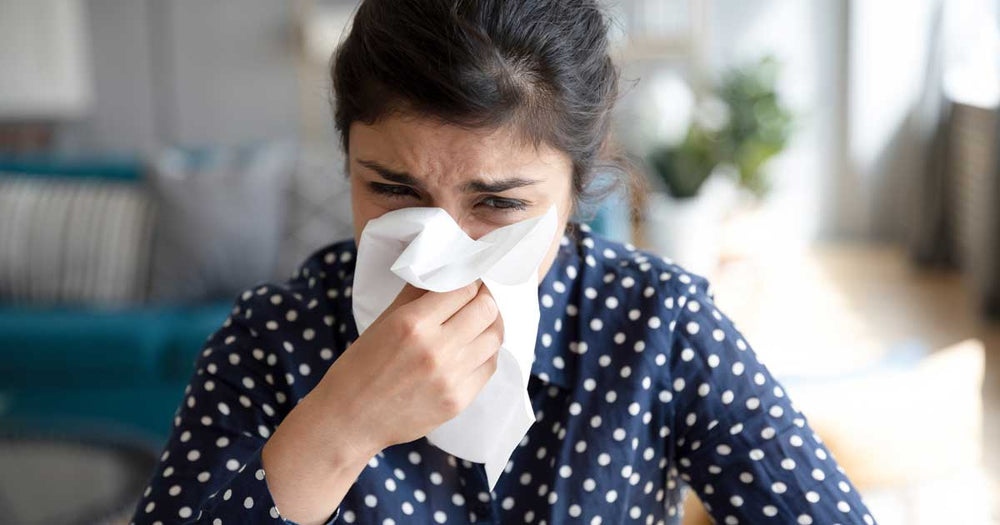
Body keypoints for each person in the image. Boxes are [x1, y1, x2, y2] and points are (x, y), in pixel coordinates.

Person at [131, 0, 878, 524]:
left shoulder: (659, 326)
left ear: (577, 185)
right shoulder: (274, 339)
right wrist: (342, 423)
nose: (436, 251)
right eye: (392, 189)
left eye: (497, 205)